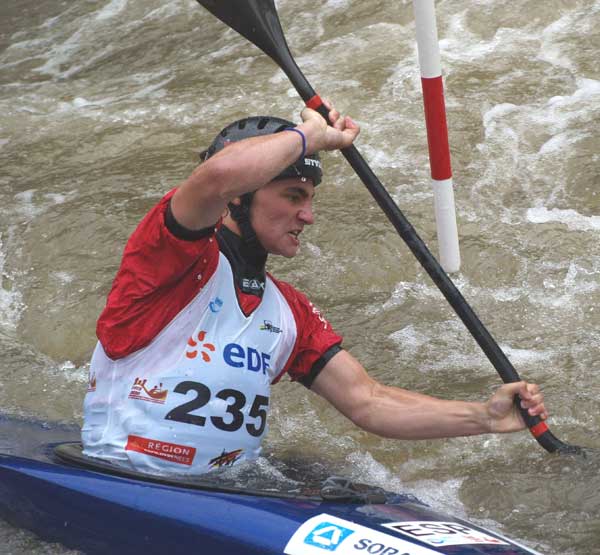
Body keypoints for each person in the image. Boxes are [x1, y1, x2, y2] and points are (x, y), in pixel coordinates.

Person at [81, 102, 547, 475]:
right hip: (122, 476)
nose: (308, 216)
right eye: (292, 196)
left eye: (309, 199)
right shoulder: (171, 259)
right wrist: (312, 136)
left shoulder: (288, 310)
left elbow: (369, 401)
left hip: (227, 492)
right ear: (240, 198)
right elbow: (215, 178)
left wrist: (484, 417)